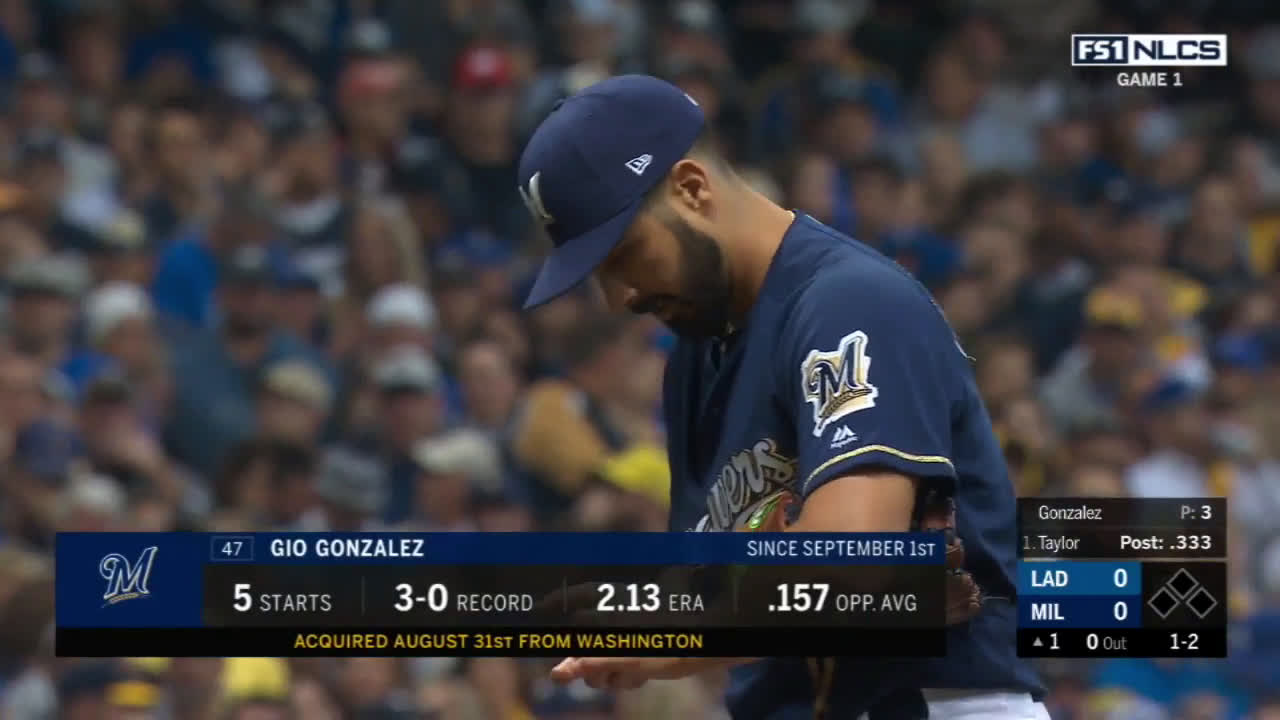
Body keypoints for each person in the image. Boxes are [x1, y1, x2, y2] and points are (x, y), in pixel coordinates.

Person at [518, 75, 1046, 720]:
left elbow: (851, 559)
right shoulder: (697, 358)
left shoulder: (848, 301)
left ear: (692, 188)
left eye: (624, 254)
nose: (618, 296)